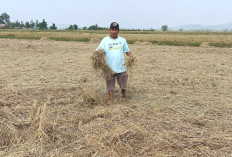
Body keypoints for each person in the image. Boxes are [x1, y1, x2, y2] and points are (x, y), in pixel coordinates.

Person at [96, 22, 133, 101]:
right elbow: (98, 51)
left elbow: (127, 51)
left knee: (123, 83)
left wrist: (131, 57)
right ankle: (111, 100)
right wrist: (96, 57)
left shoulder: (122, 40)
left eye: (116, 30)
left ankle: (123, 95)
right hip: (108, 68)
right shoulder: (105, 40)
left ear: (118, 31)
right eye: (112, 29)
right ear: (110, 30)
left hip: (121, 67)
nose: (114, 31)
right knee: (110, 85)